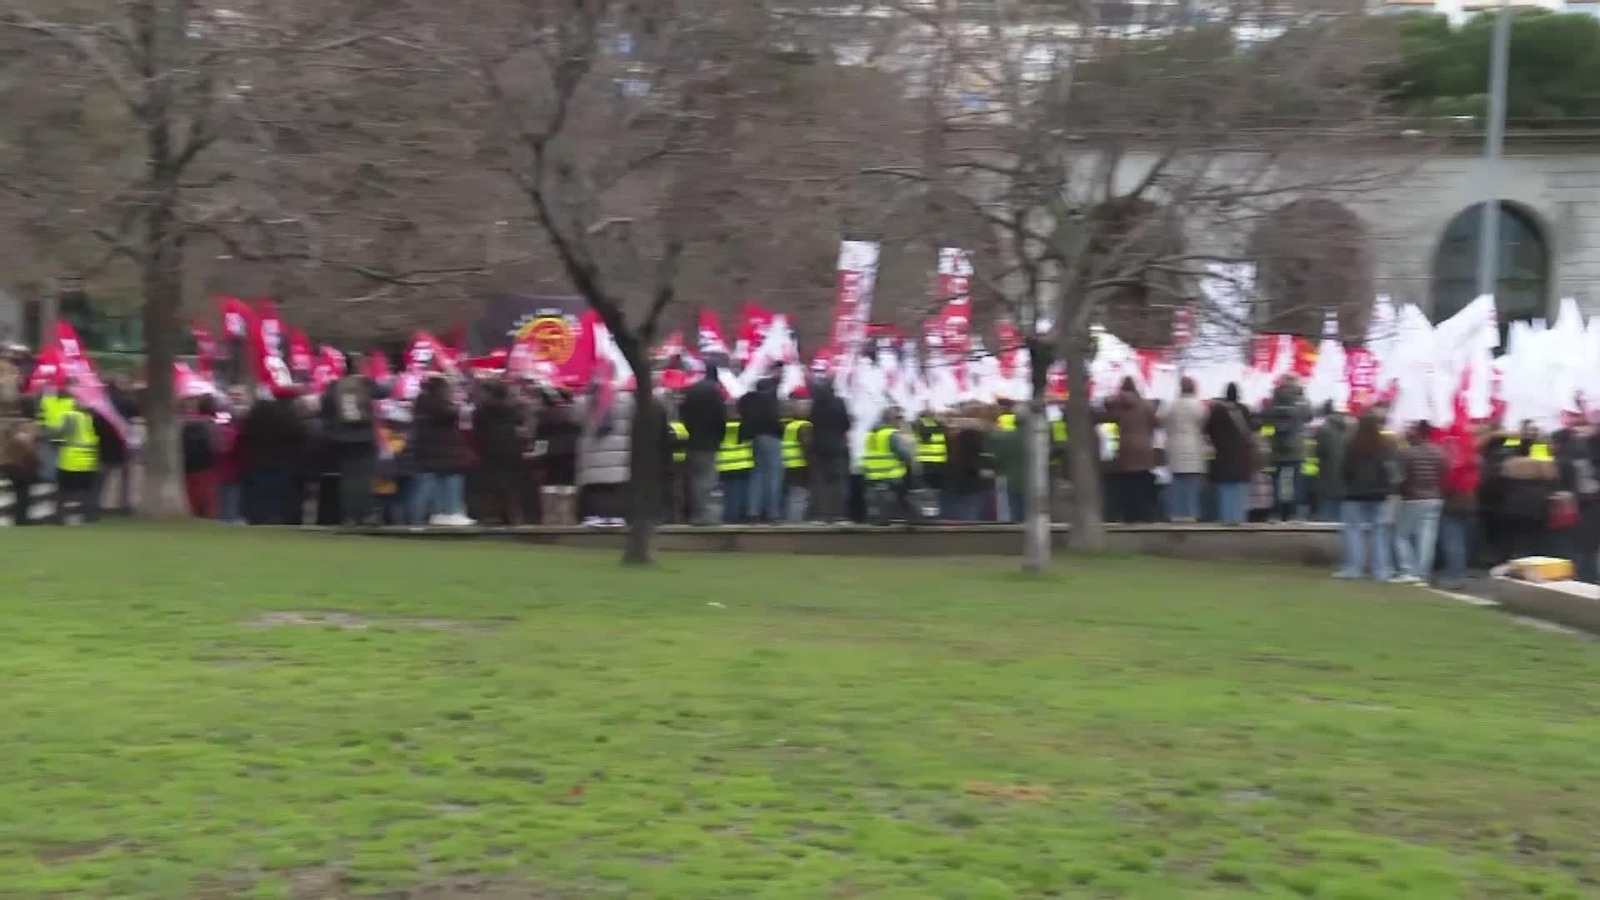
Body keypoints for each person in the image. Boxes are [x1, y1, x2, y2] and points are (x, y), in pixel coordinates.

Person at [1336, 413, 1398, 580]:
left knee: (1353, 531)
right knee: (1380, 533)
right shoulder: (1385, 446)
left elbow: (1345, 470)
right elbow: (1390, 472)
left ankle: (1353, 569)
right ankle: (1382, 571)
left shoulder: (1351, 445)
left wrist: (1348, 485)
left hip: (1354, 494)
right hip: (1379, 495)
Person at [320, 362, 381, 526]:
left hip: (341, 438)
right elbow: (384, 391)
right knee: (364, 477)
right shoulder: (365, 384)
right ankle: (366, 513)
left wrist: (331, 430)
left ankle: (349, 516)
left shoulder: (333, 386)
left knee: (347, 478)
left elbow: (325, 410)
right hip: (364, 437)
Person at [410, 376, 474, 526]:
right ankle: (452, 511)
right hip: (445, 450)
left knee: (439, 482)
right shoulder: (439, 403)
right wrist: (459, 405)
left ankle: (440, 512)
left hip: (432, 449)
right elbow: (450, 414)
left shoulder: (421, 402)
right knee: (452, 479)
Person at [1099, 377, 1159, 523]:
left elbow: (1106, 414)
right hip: (1144, 450)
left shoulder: (1118, 406)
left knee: (1127, 486)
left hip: (1126, 450)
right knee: (1142, 486)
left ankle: (1130, 517)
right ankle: (1144, 517)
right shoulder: (1146, 406)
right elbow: (1156, 423)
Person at [1393, 421, 1446, 584]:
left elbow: (1399, 477)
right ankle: (1422, 574)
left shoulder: (1407, 453)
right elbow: (1446, 471)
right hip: (1435, 497)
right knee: (1427, 538)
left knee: (1401, 535)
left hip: (1413, 498)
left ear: (1417, 433)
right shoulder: (1440, 452)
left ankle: (1407, 569)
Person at [472, 381, 526, 526]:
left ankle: (491, 516)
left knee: (490, 485)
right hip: (510, 449)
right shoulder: (513, 408)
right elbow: (521, 424)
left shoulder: (481, 409)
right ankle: (512, 517)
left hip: (489, 449)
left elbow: (476, 430)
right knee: (511, 485)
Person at [577, 388, 632, 526]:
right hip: (619, 454)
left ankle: (595, 516)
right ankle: (617, 516)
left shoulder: (585, 402)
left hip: (593, 455)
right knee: (616, 489)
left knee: (596, 489)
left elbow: (574, 417)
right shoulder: (627, 401)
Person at [680, 366, 726, 525]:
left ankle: (695, 515)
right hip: (709, 443)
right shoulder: (715, 392)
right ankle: (705, 517)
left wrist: (691, 430)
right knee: (708, 481)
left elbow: (683, 413)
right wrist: (720, 437)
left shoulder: (692, 391)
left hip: (693, 442)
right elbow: (721, 417)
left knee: (694, 481)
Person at [1264, 375, 1313, 521]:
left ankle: (1276, 513)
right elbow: (1309, 417)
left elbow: (1266, 419)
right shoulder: (1301, 401)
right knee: (1297, 482)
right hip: (1297, 448)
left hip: (1277, 447)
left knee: (1276, 482)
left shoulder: (1273, 400)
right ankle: (1295, 513)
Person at [1205, 383, 1256, 524]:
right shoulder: (1245, 410)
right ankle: (1239, 529)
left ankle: (1226, 528)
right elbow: (1252, 431)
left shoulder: (1217, 411)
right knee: (1240, 499)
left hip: (1223, 462)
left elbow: (1208, 431)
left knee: (1225, 498)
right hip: (1242, 463)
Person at [1160, 376, 1208, 522]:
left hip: (1175, 448)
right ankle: (1191, 514)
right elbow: (1204, 423)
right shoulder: (1198, 406)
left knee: (1176, 484)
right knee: (1192, 485)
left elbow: (1162, 421)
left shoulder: (1171, 405)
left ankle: (1176, 514)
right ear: (1193, 389)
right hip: (1193, 447)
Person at [738, 374, 785, 523]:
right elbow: (773, 419)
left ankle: (753, 513)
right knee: (774, 477)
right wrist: (781, 429)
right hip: (771, 437)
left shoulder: (749, 400)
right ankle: (773, 514)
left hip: (755, 439)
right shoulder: (768, 399)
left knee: (757, 476)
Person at [807, 377, 852, 523]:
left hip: (819, 448)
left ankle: (821, 516)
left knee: (821, 484)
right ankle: (840, 515)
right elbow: (846, 424)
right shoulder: (839, 403)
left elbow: (812, 421)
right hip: (838, 448)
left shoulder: (816, 404)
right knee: (839, 483)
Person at [52, 398, 100, 525]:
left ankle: (59, 518)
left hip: (70, 460)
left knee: (62, 491)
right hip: (87, 460)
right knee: (87, 491)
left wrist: (52, 427)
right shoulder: (89, 419)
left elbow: (58, 431)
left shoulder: (70, 416)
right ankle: (88, 516)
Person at [181, 395, 223, 518]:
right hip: (207, 466)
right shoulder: (212, 422)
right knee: (208, 497)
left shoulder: (182, 422)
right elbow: (216, 445)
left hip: (188, 465)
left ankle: (193, 516)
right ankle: (209, 517)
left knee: (191, 495)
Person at [1, 407, 40, 526]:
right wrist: (37, 462)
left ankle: (19, 519)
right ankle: (21, 520)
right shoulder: (30, 426)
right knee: (23, 494)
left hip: (8, 464)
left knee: (19, 493)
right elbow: (30, 449)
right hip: (22, 465)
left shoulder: (9, 425)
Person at [717, 399, 753, 523]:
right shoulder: (745, 425)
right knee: (742, 494)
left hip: (725, 465)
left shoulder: (720, 425)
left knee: (728, 496)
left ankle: (729, 518)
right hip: (743, 464)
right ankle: (739, 519)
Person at [1312, 404, 1350, 521]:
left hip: (1327, 476)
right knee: (1341, 514)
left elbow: (1319, 452)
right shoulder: (1349, 429)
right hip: (1345, 477)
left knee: (1327, 513)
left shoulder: (1324, 429)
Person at [781, 396, 813, 522]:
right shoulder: (805, 426)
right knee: (799, 496)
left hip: (787, 465)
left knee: (791, 496)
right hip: (800, 466)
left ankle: (790, 520)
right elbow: (806, 447)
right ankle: (796, 523)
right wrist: (811, 464)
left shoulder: (790, 425)